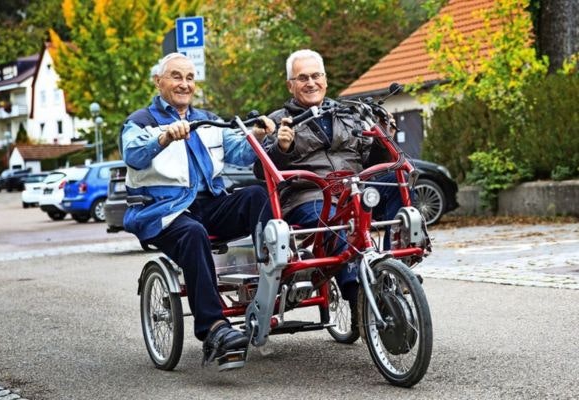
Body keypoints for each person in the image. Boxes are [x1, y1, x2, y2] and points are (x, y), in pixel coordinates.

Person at [120, 52, 276, 363]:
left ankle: (269, 279)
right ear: (158, 82)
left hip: (210, 204)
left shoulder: (207, 120)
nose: (184, 84)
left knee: (257, 196)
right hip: (165, 210)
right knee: (193, 233)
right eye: (176, 76)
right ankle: (214, 327)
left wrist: (258, 135)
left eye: (190, 78)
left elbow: (241, 152)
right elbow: (133, 154)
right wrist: (164, 137)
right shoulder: (140, 122)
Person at [256, 49, 404, 334]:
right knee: (338, 222)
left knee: (397, 176)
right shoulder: (278, 121)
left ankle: (395, 266)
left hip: (354, 187)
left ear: (325, 79)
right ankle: (357, 294)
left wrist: (384, 138)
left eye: (316, 76)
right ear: (290, 85)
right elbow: (259, 170)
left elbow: (372, 161)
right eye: (302, 78)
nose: (310, 82)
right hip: (309, 195)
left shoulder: (349, 113)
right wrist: (281, 148)